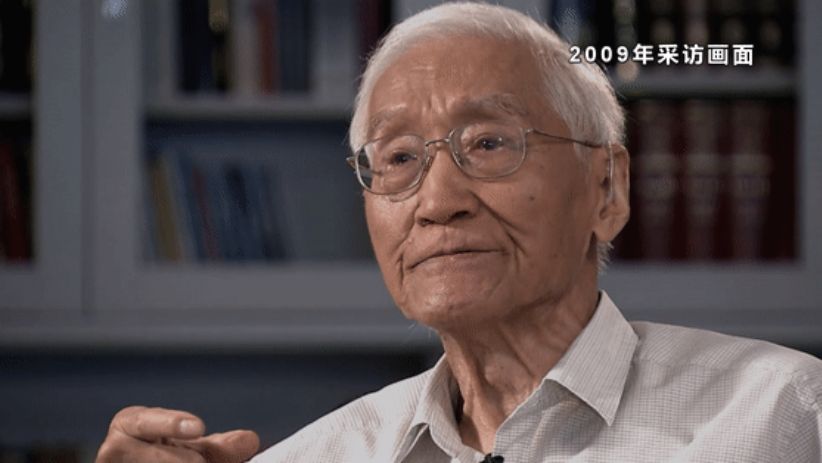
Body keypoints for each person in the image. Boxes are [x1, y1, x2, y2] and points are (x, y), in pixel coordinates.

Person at [96, 3, 822, 462]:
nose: (437, 202)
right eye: (398, 158)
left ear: (607, 187)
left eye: (489, 143)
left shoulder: (784, 416)